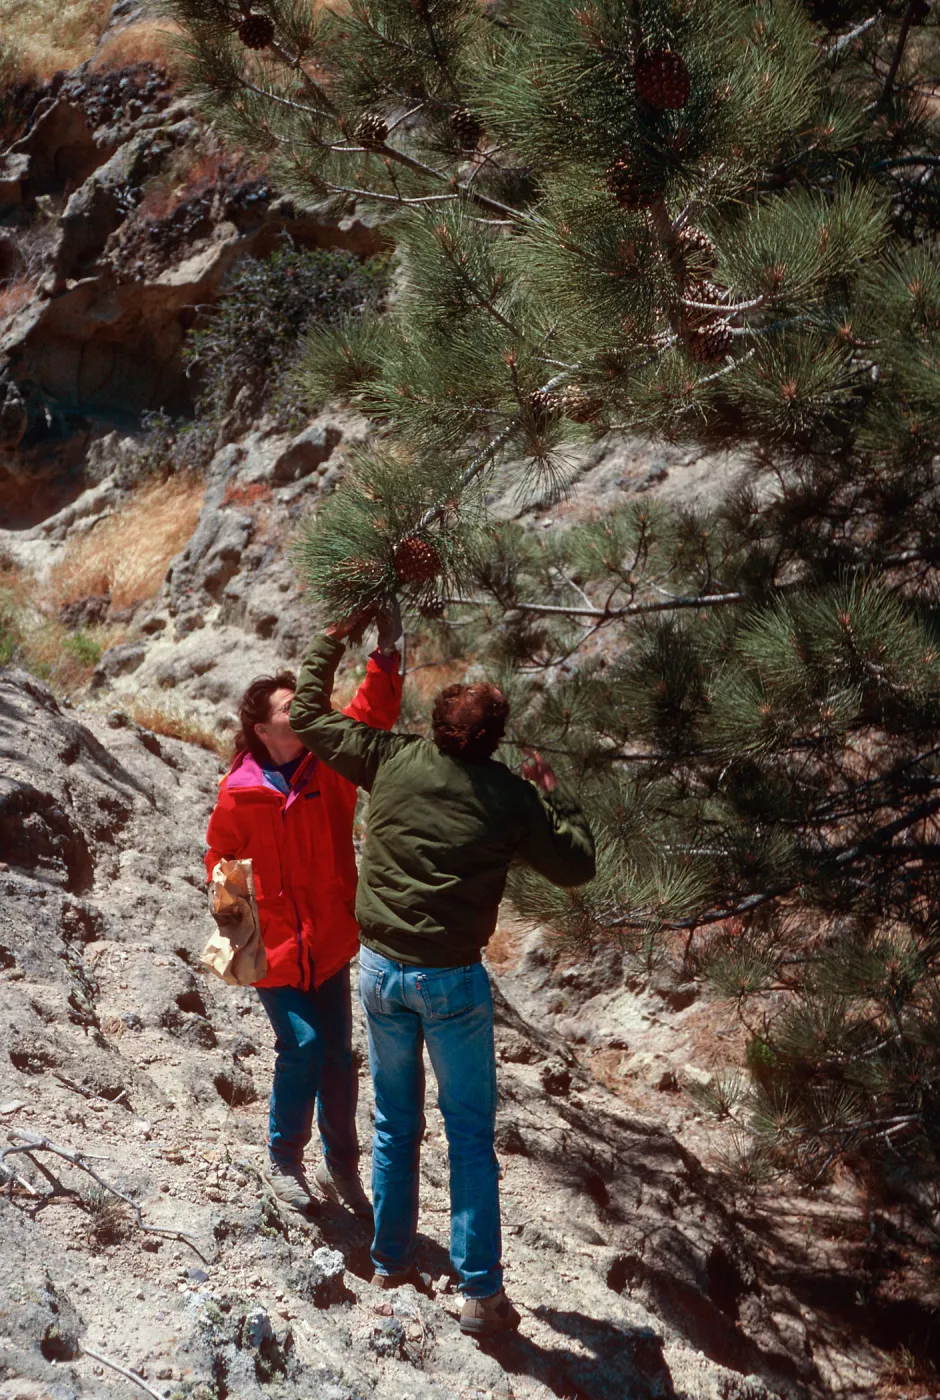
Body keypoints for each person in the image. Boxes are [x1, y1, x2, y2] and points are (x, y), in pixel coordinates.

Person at [288, 612, 595, 1336]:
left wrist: (334, 634)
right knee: (469, 1136)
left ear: (435, 726)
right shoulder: (511, 798)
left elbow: (305, 714)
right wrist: (556, 792)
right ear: (493, 741)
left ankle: (391, 1260)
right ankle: (479, 1292)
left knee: (396, 1123)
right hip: (452, 982)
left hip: (378, 970)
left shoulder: (389, 759)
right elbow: (577, 865)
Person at [204, 608, 403, 1219]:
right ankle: (284, 1159)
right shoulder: (239, 791)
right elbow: (218, 858)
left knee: (339, 1058)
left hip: (331, 940)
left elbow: (371, 713)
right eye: (292, 707)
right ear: (263, 729)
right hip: (274, 950)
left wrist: (386, 650)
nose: (305, 711)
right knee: (304, 1047)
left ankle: (342, 1165)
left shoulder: (331, 765)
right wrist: (237, 922)